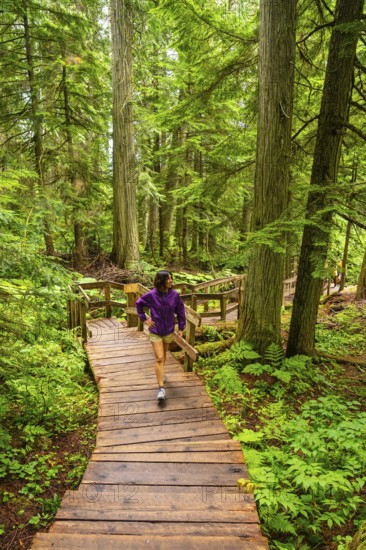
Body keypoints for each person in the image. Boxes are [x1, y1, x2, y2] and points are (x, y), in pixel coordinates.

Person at [136, 270, 186, 402]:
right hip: (155, 330)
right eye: (168, 278)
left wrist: (181, 328)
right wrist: (144, 319)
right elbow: (138, 304)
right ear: (161, 281)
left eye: (171, 278)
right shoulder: (152, 295)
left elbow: (181, 311)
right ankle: (161, 389)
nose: (171, 281)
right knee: (159, 358)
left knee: (163, 356)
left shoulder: (174, 295)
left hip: (168, 331)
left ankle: (161, 374)